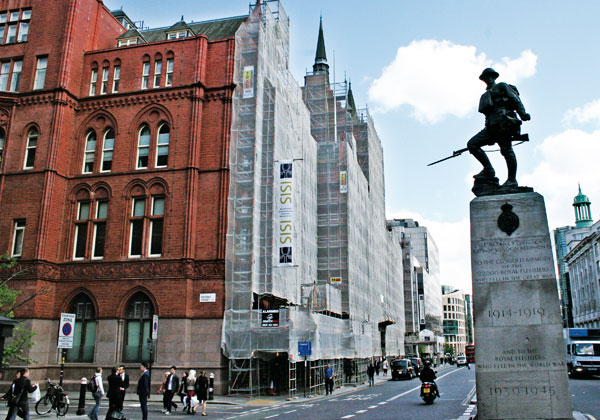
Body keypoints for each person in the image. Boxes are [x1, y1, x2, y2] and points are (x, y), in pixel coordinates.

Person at [467, 67, 531, 189]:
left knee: (506, 150)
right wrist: (489, 133)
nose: (489, 79)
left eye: (491, 76)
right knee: (472, 144)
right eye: (486, 77)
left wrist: (523, 114)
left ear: (494, 77)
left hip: (503, 123)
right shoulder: (485, 95)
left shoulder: (502, 86)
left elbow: (515, 100)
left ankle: (512, 180)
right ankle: (488, 170)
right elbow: (487, 114)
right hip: (491, 126)